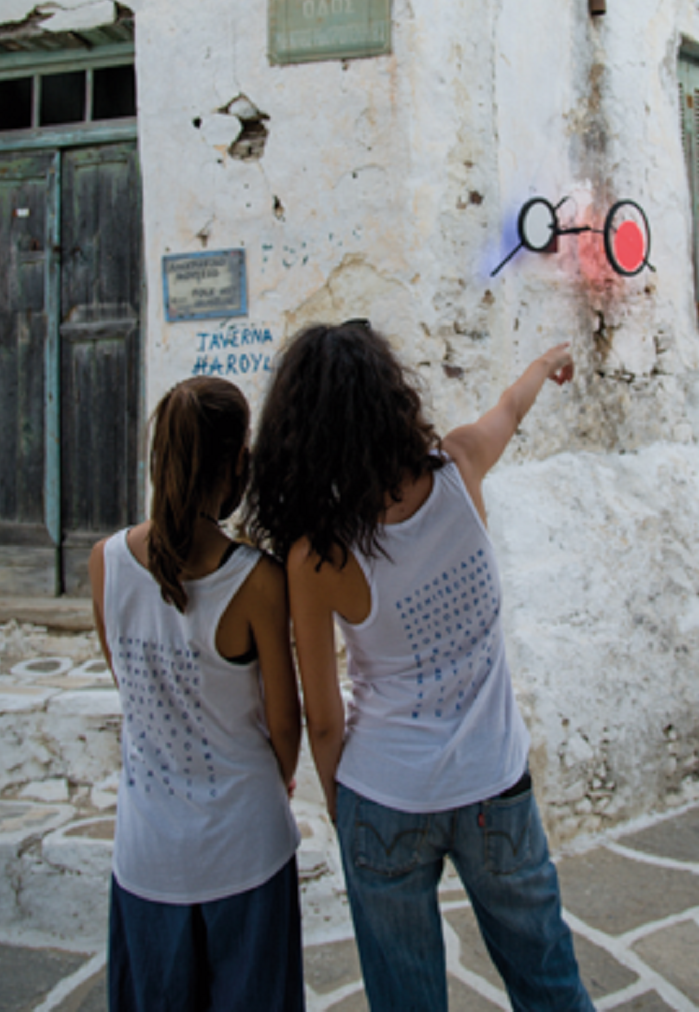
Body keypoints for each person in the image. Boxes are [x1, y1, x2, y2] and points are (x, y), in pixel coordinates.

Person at [244, 322, 593, 1012]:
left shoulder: (315, 556)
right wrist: (546, 362)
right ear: (391, 398)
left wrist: (345, 811)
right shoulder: (459, 466)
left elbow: (323, 717)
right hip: (494, 787)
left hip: (383, 793)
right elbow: (511, 407)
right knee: (550, 985)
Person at [88, 376, 305, 1012]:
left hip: (147, 855)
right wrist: (281, 776)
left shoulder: (105, 562)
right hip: (246, 847)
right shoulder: (257, 580)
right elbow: (285, 724)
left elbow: (129, 685)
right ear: (238, 462)